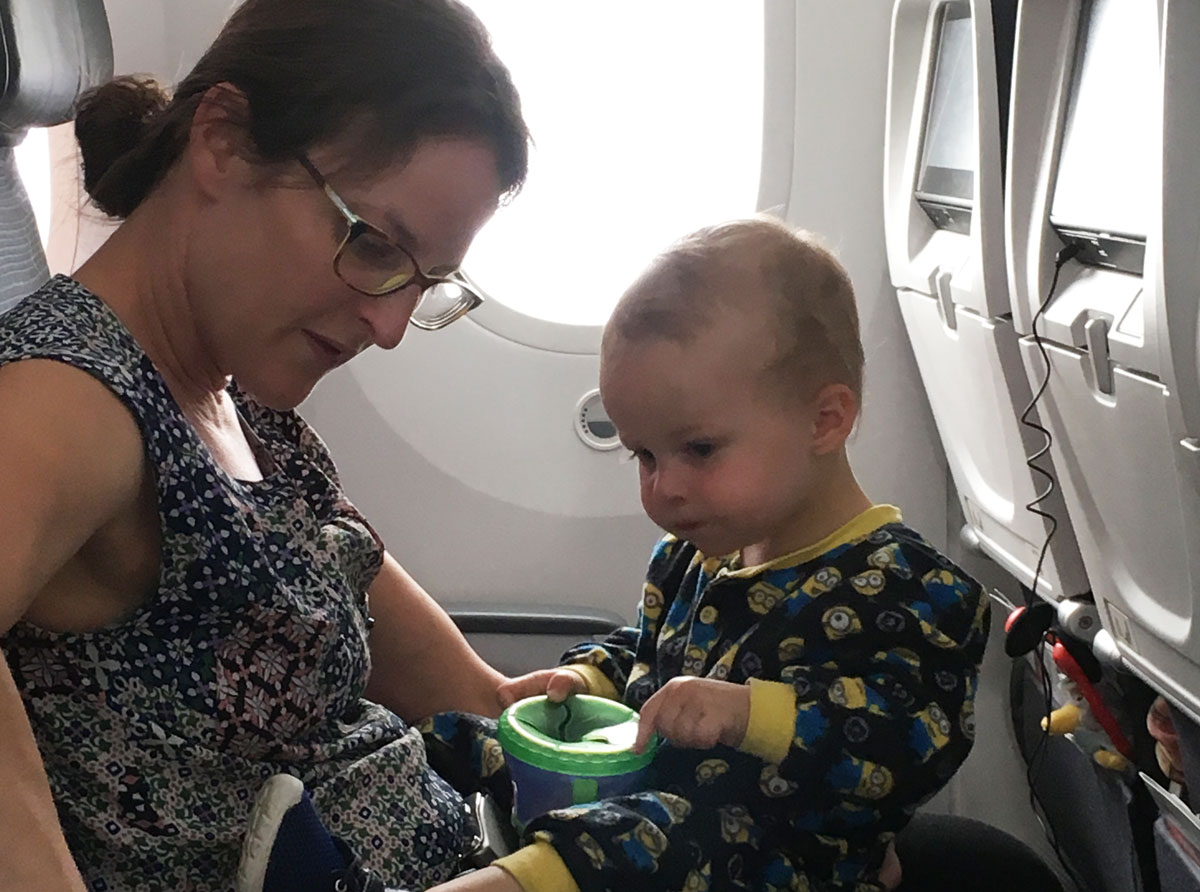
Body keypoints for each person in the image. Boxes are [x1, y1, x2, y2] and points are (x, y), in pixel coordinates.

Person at [251, 218, 991, 891]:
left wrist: (745, 715)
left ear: (824, 420)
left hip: (775, 851)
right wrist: (589, 674)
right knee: (477, 740)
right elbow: (647, 650)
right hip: (655, 785)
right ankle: (331, 832)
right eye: (643, 455)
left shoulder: (906, 588)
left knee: (645, 838)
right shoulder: (699, 554)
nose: (664, 488)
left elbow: (910, 741)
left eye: (698, 449)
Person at [0, 1, 531, 889]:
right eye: (373, 245)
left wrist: (538, 720)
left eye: (427, 282)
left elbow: (459, 685)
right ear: (224, 141)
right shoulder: (72, 400)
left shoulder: (235, 388)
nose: (392, 323)